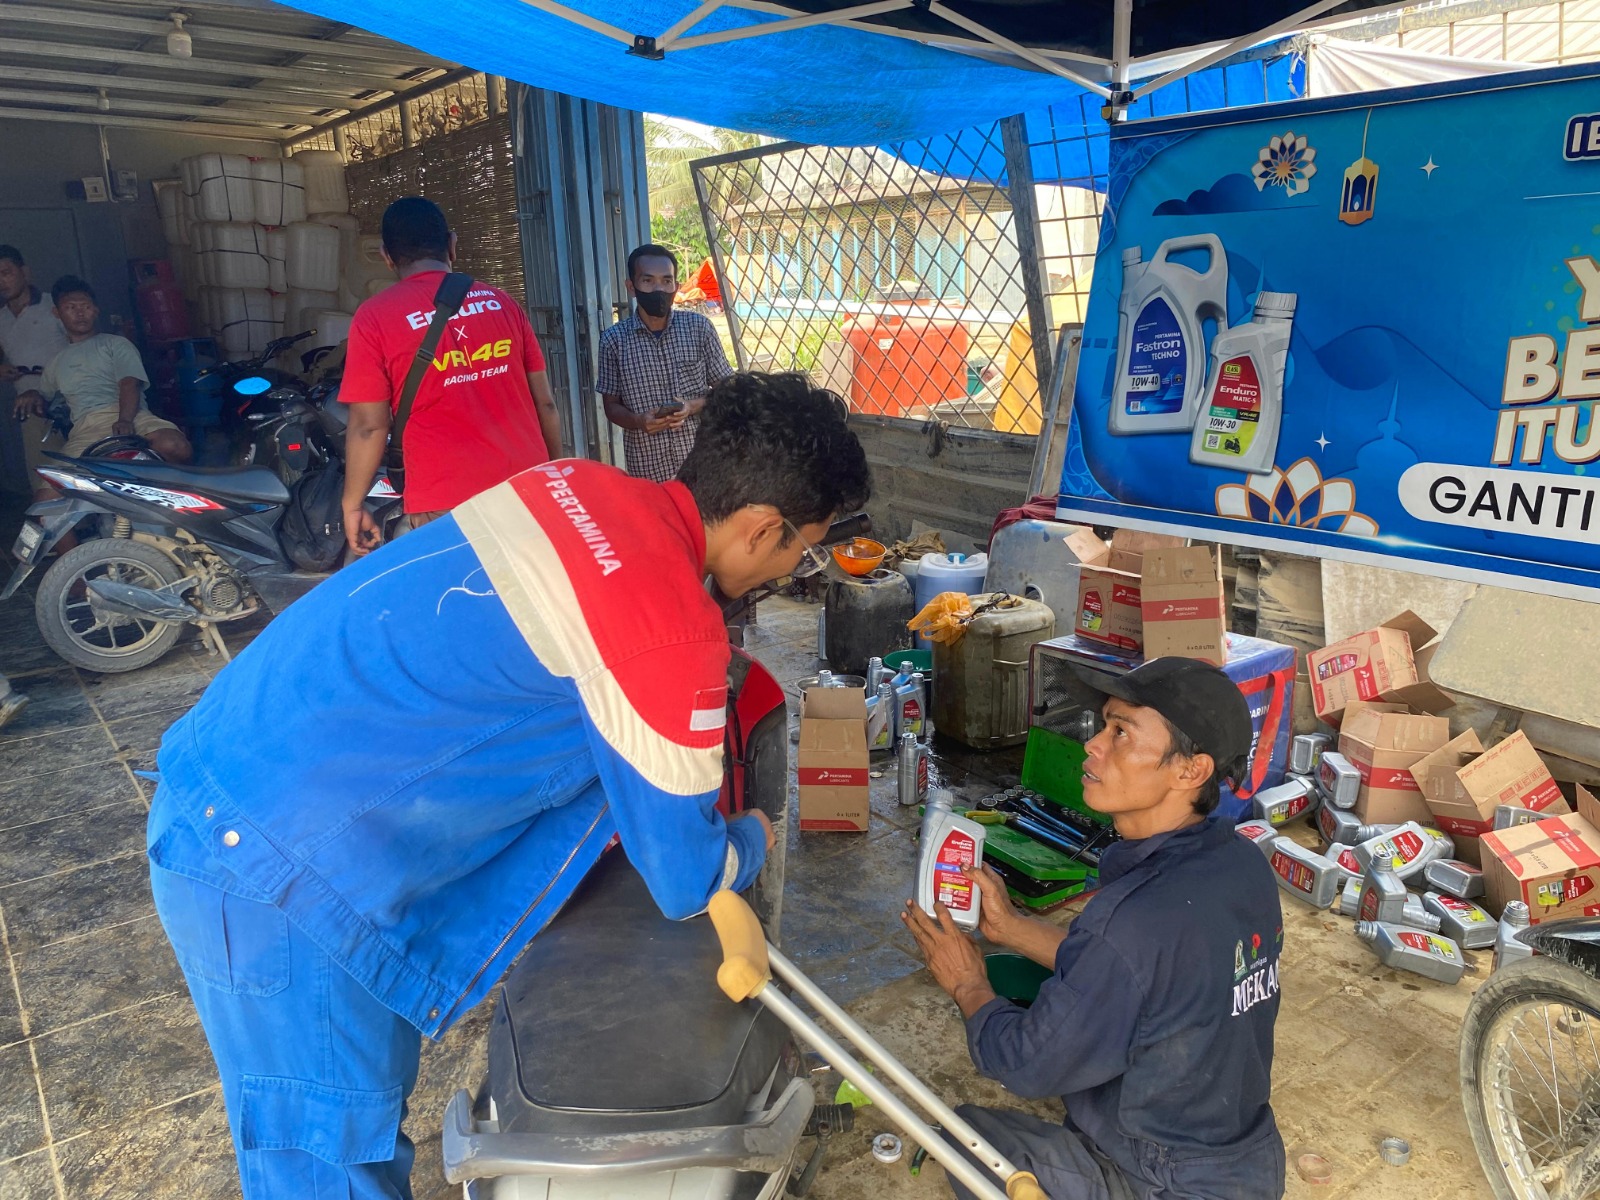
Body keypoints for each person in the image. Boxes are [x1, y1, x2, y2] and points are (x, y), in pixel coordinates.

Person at [146, 371, 871, 1199]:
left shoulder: (571, 486)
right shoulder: (668, 625)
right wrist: (752, 838)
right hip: (272, 860)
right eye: (803, 547)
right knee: (329, 1160)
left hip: (254, 765)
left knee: (361, 1124)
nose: (796, 564)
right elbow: (682, 877)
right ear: (763, 528)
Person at [903, 657, 1286, 1200]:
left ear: (1190, 771)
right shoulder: (1243, 864)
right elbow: (1141, 971)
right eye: (1104, 725)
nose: (1093, 745)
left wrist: (968, 983)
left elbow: (1026, 1065)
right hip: (1247, 1161)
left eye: (1121, 732)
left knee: (967, 1142)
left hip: (1160, 1177)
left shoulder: (1133, 920)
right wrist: (1011, 927)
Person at [341, 196, 563, 554]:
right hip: (525, 491)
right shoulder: (503, 304)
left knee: (465, 587)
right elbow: (546, 404)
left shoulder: (374, 318)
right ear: (452, 245)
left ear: (386, 256)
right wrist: (552, 475)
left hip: (444, 504)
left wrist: (352, 504)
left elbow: (369, 427)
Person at [15, 276, 191, 467]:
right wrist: (32, 394)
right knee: (54, 484)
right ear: (57, 313)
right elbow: (44, 400)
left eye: (86, 306)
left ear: (96, 311)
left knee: (175, 446)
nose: (80, 313)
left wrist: (125, 420)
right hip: (85, 430)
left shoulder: (116, 344)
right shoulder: (55, 363)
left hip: (134, 417)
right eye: (71, 307)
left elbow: (129, 383)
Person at [599, 244, 733, 482]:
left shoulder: (699, 328)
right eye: (648, 281)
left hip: (702, 462)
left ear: (676, 287)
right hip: (647, 466)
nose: (659, 289)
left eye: (666, 281)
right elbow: (611, 406)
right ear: (631, 287)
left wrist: (691, 406)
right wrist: (639, 421)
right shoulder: (614, 340)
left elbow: (727, 388)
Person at [0, 245, 69, 501]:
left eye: (6, 272)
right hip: (31, 412)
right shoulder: (1, 319)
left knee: (83, 475)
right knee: (45, 486)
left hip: (72, 402)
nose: (1, 281)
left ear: (25, 272)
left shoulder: (55, 307)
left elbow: (85, 350)